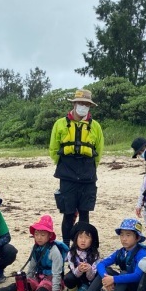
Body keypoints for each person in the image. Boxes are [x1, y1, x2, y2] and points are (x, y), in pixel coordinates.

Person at [65, 219, 146, 291]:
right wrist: (106, 278)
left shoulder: (141, 253)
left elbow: (137, 276)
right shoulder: (121, 252)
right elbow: (101, 264)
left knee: (123, 273)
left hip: (138, 290)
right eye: (122, 235)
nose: (124, 239)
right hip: (126, 286)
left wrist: (114, 279)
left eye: (128, 235)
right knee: (107, 270)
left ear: (137, 238)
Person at [49, 89, 104, 245]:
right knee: (68, 213)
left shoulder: (96, 126)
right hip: (67, 173)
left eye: (86, 104)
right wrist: (64, 166)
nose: (83, 106)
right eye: (80, 103)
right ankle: (67, 245)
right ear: (74, 104)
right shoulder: (60, 124)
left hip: (88, 174)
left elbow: (99, 151)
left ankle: (83, 245)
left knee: (85, 213)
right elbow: (53, 149)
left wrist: (90, 169)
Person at [63, 222, 101, 291]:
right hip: (77, 278)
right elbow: (74, 272)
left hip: (90, 278)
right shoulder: (71, 253)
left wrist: (89, 269)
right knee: (67, 278)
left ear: (92, 241)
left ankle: (93, 290)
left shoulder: (95, 254)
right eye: (80, 237)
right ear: (76, 239)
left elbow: (91, 276)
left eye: (87, 238)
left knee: (99, 274)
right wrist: (79, 269)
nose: (83, 240)